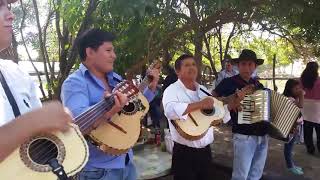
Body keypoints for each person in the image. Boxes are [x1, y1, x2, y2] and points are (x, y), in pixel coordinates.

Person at [61, 28, 159, 180]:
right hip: (98, 170)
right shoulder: (74, 83)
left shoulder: (116, 79)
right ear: (90, 52)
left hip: (126, 161)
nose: (114, 55)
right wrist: (109, 110)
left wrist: (151, 87)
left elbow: (133, 107)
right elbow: (77, 125)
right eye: (108, 50)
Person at [0, 0, 71, 162]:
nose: (11, 15)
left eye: (8, 6)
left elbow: (42, 138)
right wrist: (32, 122)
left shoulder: (17, 72)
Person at [162, 54, 234, 180]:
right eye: (187, 65)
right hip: (184, 154)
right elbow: (170, 111)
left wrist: (231, 106)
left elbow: (216, 115)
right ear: (178, 71)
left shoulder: (203, 90)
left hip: (205, 152)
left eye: (194, 64)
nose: (192, 67)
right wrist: (200, 104)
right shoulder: (171, 90)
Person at [213, 49, 267, 180]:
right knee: (240, 176)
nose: (247, 67)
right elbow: (213, 100)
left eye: (250, 64)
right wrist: (232, 99)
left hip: (262, 136)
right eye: (243, 64)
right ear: (238, 65)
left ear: (255, 66)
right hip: (244, 136)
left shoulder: (259, 85)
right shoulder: (228, 82)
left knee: (255, 175)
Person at [282, 79, 304, 175]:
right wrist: (301, 95)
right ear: (290, 89)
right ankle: (290, 166)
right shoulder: (290, 99)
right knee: (289, 148)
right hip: (292, 127)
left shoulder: (290, 98)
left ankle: (291, 165)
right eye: (296, 88)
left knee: (290, 147)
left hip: (293, 126)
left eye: (299, 88)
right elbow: (301, 105)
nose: (298, 90)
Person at [300, 61, 320, 155]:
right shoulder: (319, 80)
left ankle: (310, 149)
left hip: (305, 105)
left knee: (307, 129)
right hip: (317, 106)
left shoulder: (301, 80)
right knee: (318, 128)